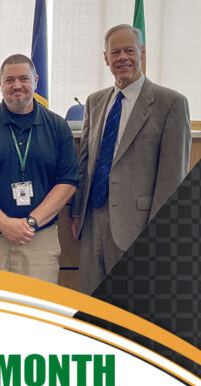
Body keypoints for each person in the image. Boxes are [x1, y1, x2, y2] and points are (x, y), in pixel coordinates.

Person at [71, 24, 191, 294]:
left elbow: (172, 177)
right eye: (115, 52)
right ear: (106, 58)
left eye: (129, 51)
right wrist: (77, 211)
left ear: (142, 53)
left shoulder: (170, 103)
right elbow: (85, 163)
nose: (122, 57)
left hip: (137, 224)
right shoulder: (95, 102)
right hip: (93, 222)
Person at [0, 54, 78, 284]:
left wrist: (31, 222)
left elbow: (67, 182)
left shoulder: (57, 126)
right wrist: (4, 223)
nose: (17, 86)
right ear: (0, 83)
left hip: (39, 241)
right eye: (9, 80)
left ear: (36, 80)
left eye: (24, 78)